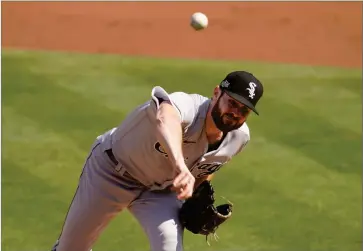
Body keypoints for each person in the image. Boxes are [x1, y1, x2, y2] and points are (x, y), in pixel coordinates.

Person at [51, 70, 264, 251]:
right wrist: (180, 167)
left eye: (243, 110)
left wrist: (196, 192)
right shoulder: (188, 106)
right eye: (232, 103)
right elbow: (166, 117)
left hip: (159, 192)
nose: (235, 113)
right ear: (217, 93)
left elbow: (207, 166)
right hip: (111, 173)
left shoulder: (239, 138)